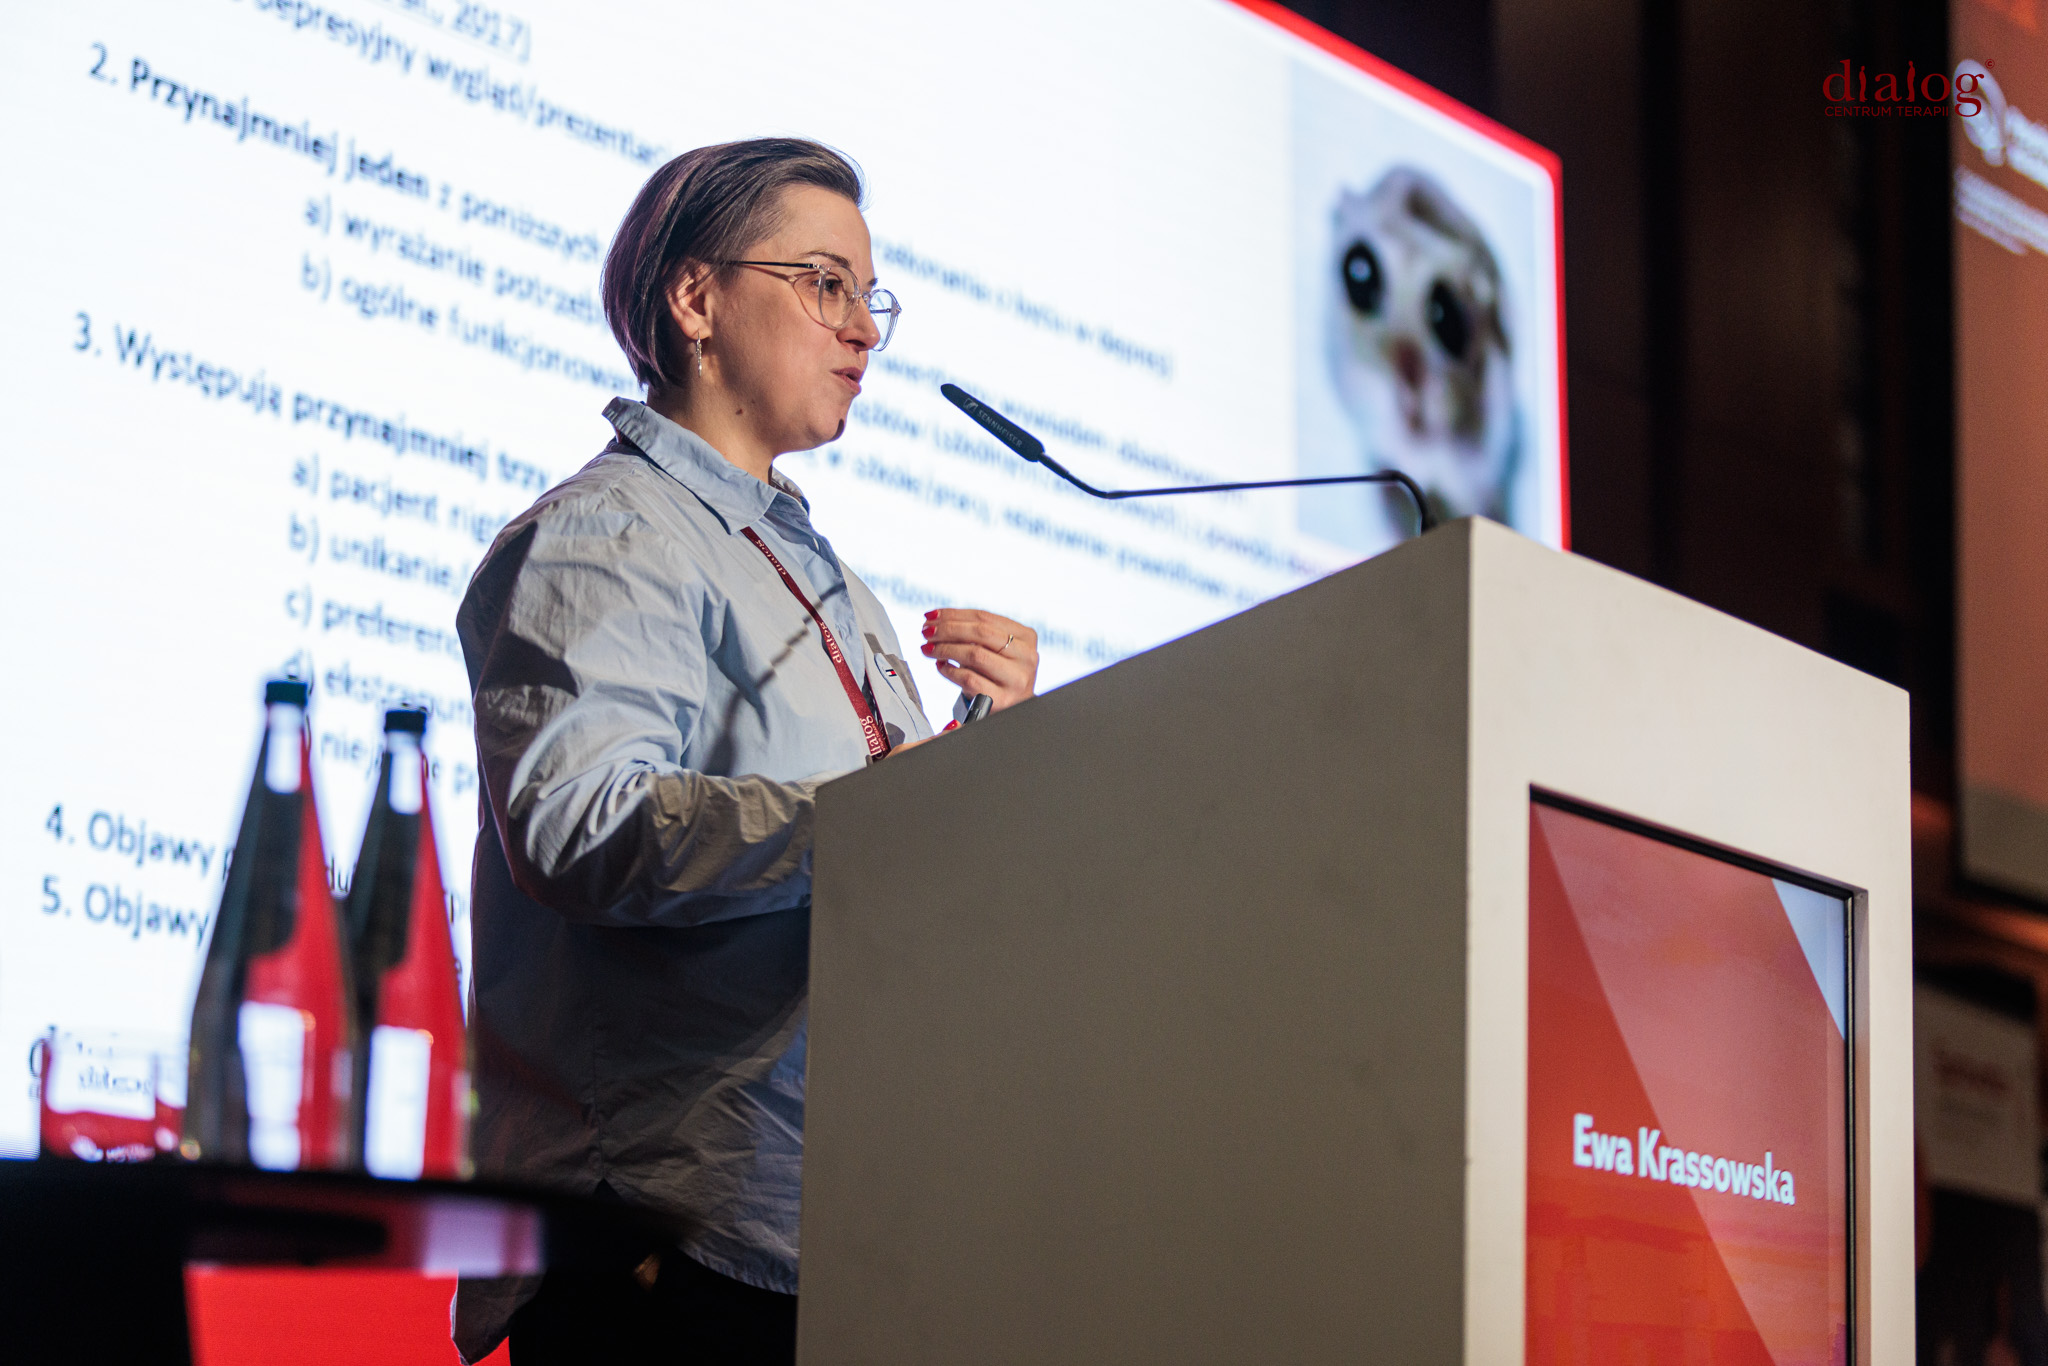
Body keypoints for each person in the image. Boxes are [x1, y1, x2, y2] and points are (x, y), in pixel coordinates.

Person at [450, 138, 1040, 1365]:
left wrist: (985, 748)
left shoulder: (834, 586)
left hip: (838, 1236)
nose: (862, 330)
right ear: (696, 298)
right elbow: (576, 825)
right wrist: (877, 816)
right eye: (824, 284)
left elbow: (881, 866)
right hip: (665, 1245)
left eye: (868, 297)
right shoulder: (607, 533)